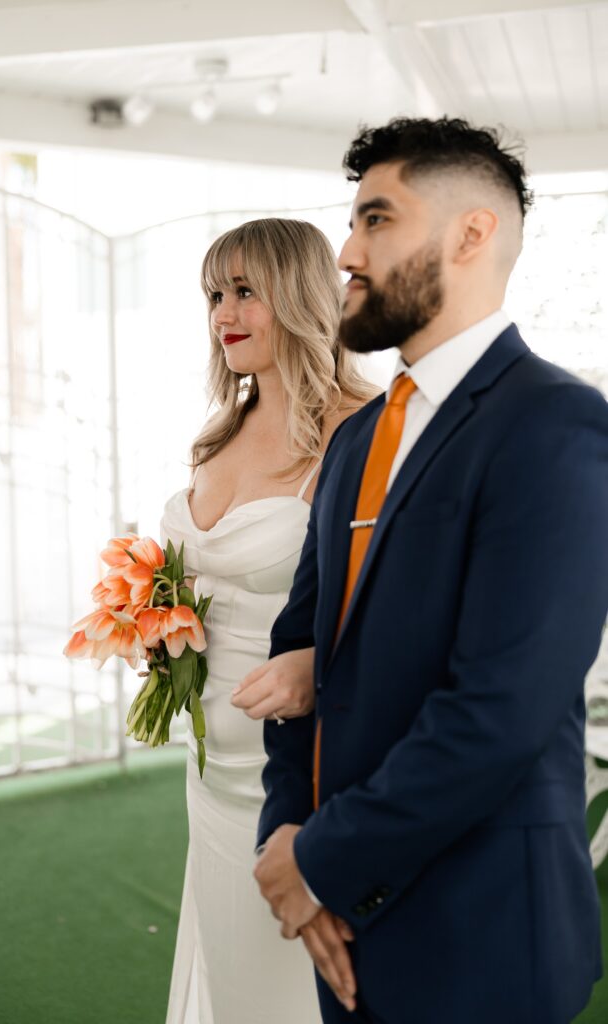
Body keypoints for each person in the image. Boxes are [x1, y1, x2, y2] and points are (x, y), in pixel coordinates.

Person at [244, 118, 608, 1023]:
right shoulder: (360, 435)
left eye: (376, 220)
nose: (344, 251)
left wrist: (322, 861)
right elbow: (303, 658)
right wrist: (286, 838)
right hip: (342, 929)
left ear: (470, 233)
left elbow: (500, 711)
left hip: (479, 931)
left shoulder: (555, 425)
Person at [161, 217, 377, 1024]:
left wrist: (316, 660)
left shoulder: (363, 428)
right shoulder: (218, 432)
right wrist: (154, 625)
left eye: (246, 290)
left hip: (303, 756)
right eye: (215, 294)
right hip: (212, 749)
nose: (224, 312)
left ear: (301, 294)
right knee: (230, 950)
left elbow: (397, 609)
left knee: (299, 974)